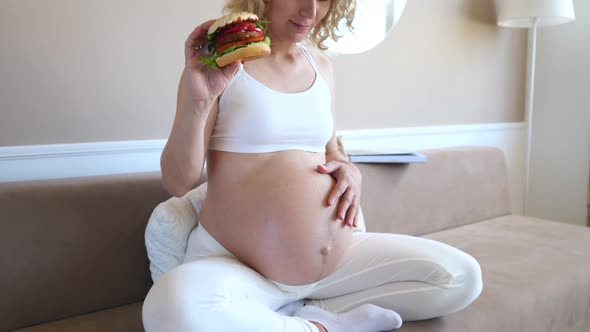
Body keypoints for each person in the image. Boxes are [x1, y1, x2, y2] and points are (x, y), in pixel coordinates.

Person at [142, 0, 483, 331]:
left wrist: (349, 169)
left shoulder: (322, 66)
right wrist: (199, 102)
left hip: (335, 268)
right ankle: (320, 326)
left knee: (461, 276)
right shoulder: (219, 67)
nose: (311, 11)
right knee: (170, 307)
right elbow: (177, 182)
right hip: (237, 265)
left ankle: (300, 313)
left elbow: (331, 151)